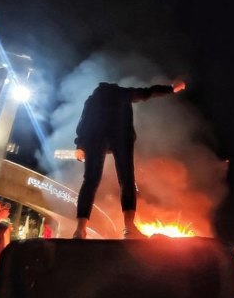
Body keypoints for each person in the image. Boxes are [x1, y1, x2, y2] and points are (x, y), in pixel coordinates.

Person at [72, 81, 186, 239]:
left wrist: (80, 145)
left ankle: (80, 229)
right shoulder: (122, 93)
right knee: (127, 179)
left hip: (95, 139)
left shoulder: (93, 99)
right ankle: (128, 228)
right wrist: (171, 89)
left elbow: (83, 122)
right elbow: (148, 93)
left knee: (90, 180)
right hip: (121, 137)